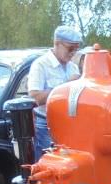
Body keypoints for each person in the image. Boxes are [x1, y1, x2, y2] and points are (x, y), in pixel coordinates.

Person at [28, 25, 82, 159]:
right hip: (46, 126)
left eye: (76, 49)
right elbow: (35, 98)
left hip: (71, 124)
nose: (73, 53)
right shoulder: (40, 65)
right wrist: (64, 86)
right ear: (57, 43)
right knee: (51, 165)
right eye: (70, 48)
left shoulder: (73, 67)